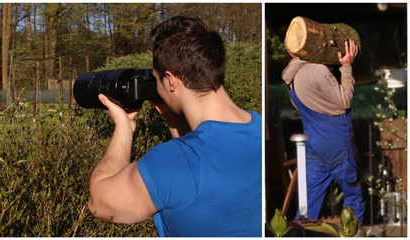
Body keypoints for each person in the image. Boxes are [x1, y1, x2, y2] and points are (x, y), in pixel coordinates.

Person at [88, 16, 262, 237]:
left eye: (156, 79)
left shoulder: (173, 161)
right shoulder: (261, 129)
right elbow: (206, 150)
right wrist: (171, 114)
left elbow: (99, 202)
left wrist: (124, 126)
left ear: (170, 80)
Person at [281, 39, 364, 224]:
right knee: (353, 196)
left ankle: (297, 235)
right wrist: (347, 67)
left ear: (290, 53)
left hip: (314, 145)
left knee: (309, 203)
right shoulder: (318, 71)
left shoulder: (291, 78)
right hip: (337, 143)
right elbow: (344, 101)